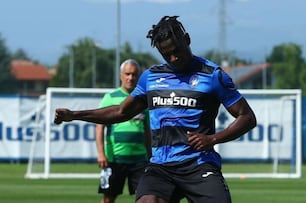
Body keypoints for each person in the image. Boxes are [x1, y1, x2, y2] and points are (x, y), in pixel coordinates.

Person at [54, 16, 257, 203]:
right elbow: (121, 112)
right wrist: (75, 115)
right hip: (161, 167)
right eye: (166, 54)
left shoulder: (213, 75)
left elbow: (246, 117)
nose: (174, 58)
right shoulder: (151, 77)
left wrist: (212, 139)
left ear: (187, 39)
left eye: (176, 50)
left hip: (199, 164)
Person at [95, 59, 151, 203]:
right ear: (121, 76)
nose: (130, 78)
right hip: (115, 159)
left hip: (139, 159)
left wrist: (151, 155)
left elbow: (147, 130)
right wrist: (101, 153)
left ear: (139, 76)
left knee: (145, 196)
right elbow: (99, 126)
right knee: (108, 198)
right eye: (127, 74)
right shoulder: (110, 98)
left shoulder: (143, 99)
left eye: (134, 74)